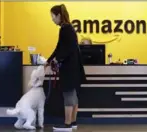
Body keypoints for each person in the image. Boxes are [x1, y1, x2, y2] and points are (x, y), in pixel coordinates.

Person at [46, 4, 86, 132]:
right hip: (73, 67)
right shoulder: (68, 28)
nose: (52, 19)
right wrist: (49, 60)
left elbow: (67, 49)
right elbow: (59, 47)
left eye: (53, 16)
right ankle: (73, 122)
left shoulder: (65, 29)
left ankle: (67, 124)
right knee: (73, 95)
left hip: (68, 68)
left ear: (58, 15)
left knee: (68, 94)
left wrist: (57, 59)